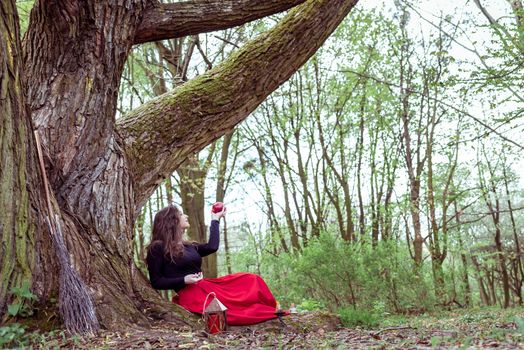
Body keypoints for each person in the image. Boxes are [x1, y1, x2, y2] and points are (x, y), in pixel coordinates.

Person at [146, 204, 286, 326]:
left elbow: (212, 247)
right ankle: (269, 311)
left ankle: (273, 306)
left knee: (251, 279)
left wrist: (215, 219)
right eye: (181, 214)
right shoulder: (157, 247)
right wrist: (184, 280)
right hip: (192, 295)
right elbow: (156, 281)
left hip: (206, 286)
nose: (186, 216)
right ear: (172, 221)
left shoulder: (188, 246)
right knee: (231, 314)